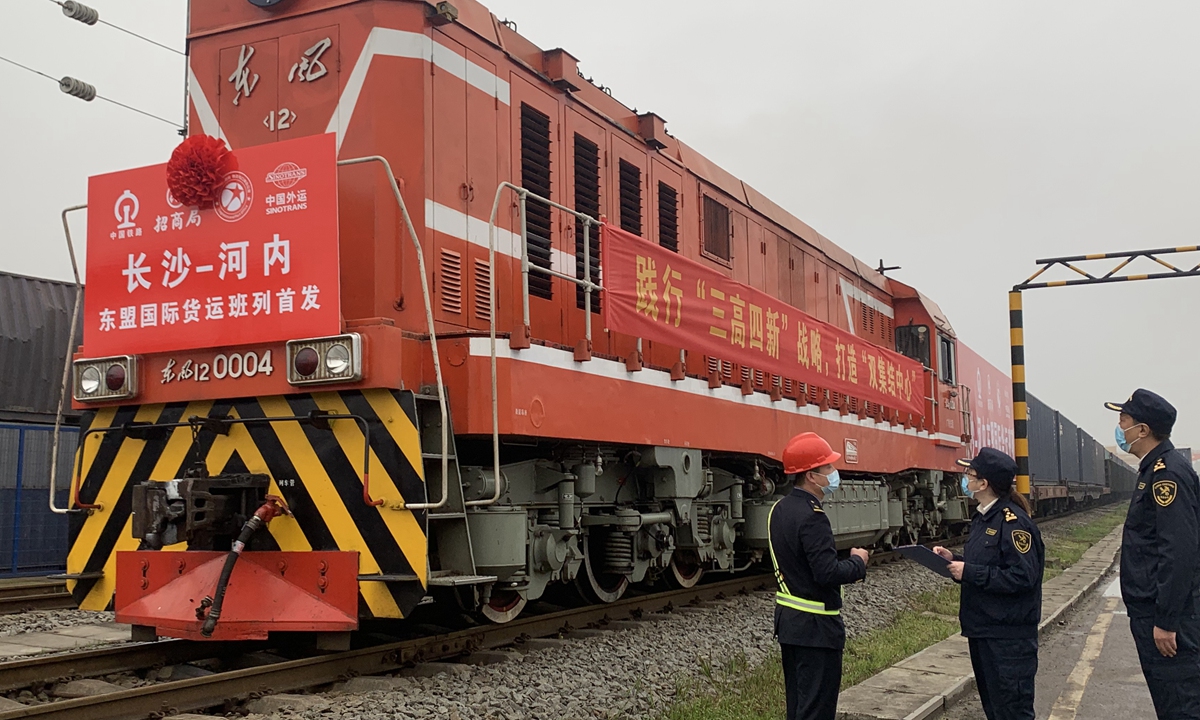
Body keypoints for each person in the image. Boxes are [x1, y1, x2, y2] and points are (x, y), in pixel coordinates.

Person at [1105, 389, 1200, 718]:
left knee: (1180, 703)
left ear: (1142, 430)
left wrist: (1166, 621)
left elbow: (1179, 552)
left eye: (1124, 420)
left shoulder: (1166, 475)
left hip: (1168, 620)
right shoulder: (1154, 470)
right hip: (1154, 613)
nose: (1119, 427)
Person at [933, 447, 1043, 720]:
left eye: (969, 474)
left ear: (983, 483)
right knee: (995, 710)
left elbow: (1022, 577)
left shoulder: (1014, 522)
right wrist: (954, 560)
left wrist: (969, 572)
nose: (964, 479)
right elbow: (991, 563)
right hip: (984, 630)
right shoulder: (984, 517)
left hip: (1008, 639)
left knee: (1012, 712)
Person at [768, 431, 869, 720]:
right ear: (811, 475)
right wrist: (858, 562)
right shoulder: (813, 516)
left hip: (790, 624)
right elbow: (826, 573)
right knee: (817, 710)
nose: (834, 473)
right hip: (817, 628)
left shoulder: (779, 509)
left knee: (799, 706)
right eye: (828, 468)